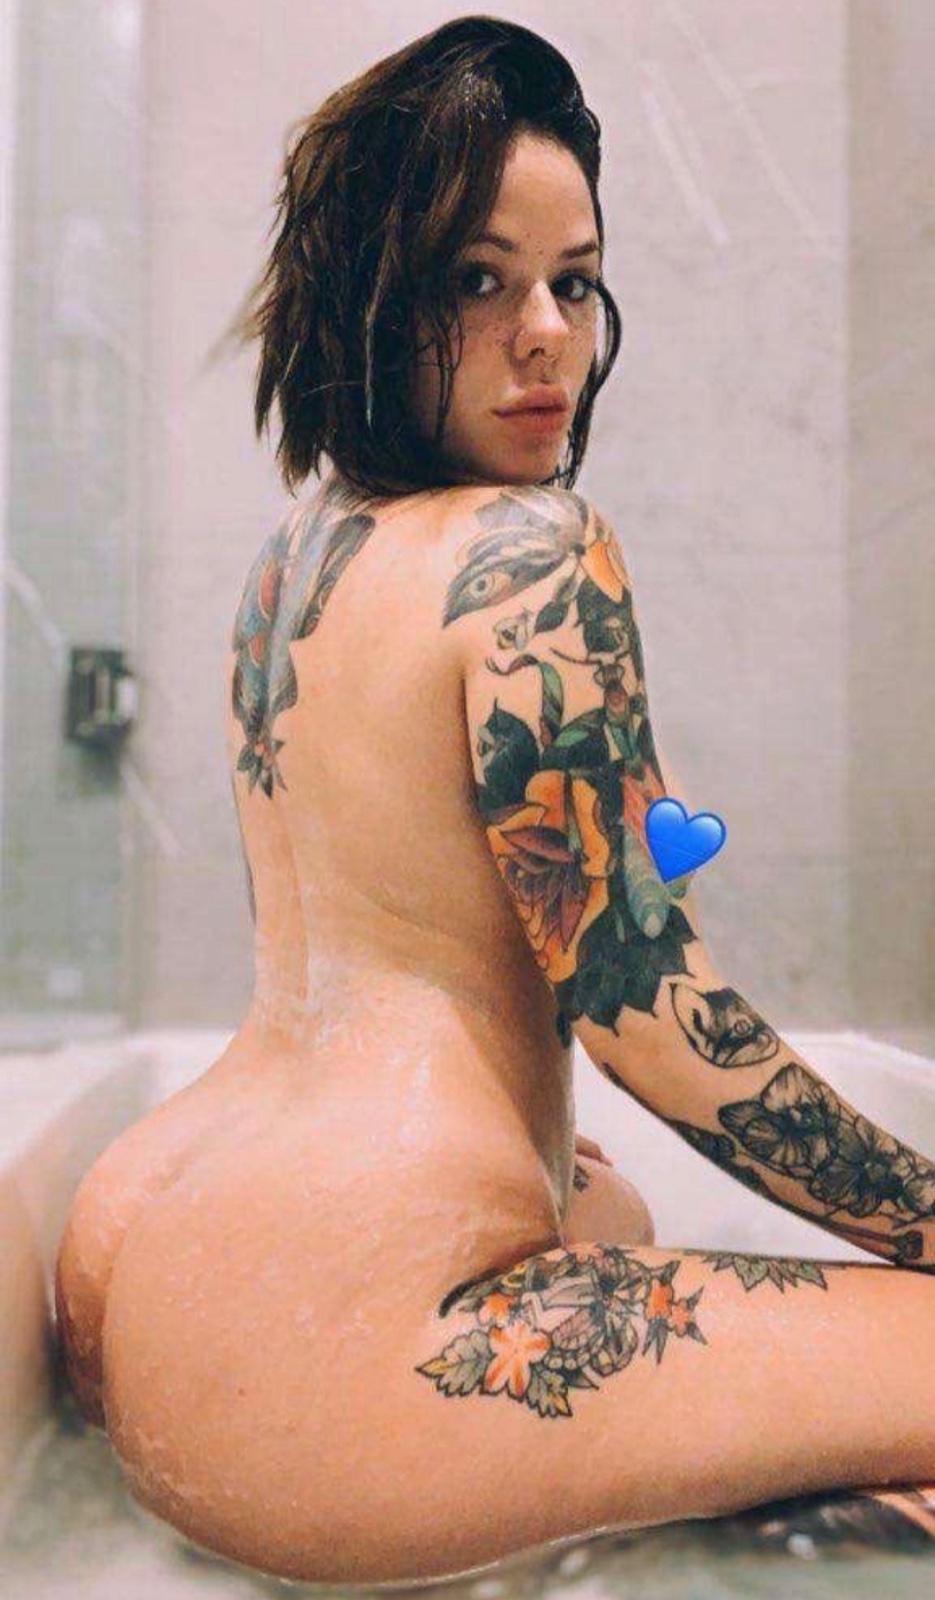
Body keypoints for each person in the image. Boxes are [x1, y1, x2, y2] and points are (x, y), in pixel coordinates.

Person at [54, 15, 935, 1586]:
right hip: (338, 1358)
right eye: (478, 279)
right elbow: (651, 1019)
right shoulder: (535, 555)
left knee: (616, 1216)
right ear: (375, 289)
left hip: (154, 1284)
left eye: (573, 282)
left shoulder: (295, 559)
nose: (546, 336)